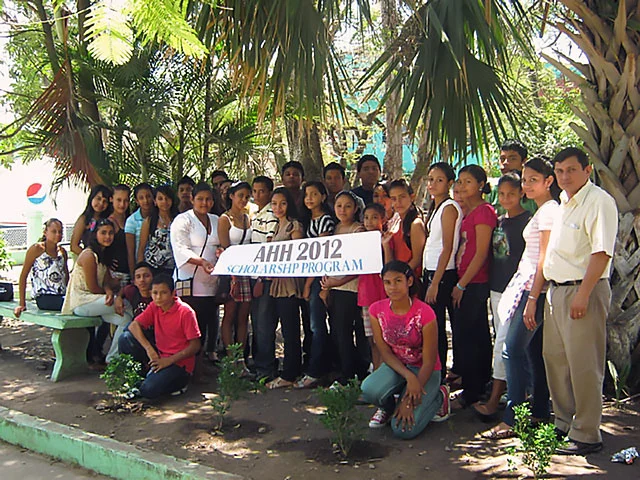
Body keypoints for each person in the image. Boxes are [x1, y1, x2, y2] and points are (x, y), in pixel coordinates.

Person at [542, 147, 617, 455]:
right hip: (557, 291)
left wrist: (583, 294)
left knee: (584, 363)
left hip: (583, 289)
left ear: (587, 170)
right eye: (559, 171)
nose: (564, 176)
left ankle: (587, 433)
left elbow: (601, 252)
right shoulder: (561, 203)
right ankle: (563, 423)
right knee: (556, 360)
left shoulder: (599, 202)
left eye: (571, 170)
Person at [481, 157, 560, 437]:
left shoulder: (549, 211)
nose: (526, 185)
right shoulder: (542, 210)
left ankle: (515, 418)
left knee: (511, 350)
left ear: (548, 181)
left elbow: (544, 259)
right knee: (531, 352)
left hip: (532, 288)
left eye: (532, 180)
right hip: (526, 286)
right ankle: (539, 412)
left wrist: (533, 298)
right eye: (524, 179)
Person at [361, 261, 449, 438]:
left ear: (409, 281)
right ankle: (388, 407)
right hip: (397, 367)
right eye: (387, 282)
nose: (393, 287)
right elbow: (384, 352)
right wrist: (409, 377)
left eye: (398, 281)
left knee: (403, 430)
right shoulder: (376, 310)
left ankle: (440, 396)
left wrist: (409, 401)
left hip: (425, 369)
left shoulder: (425, 313)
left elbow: (430, 360)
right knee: (369, 389)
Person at [473, 173, 531, 421]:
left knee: (505, 344)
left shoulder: (529, 222)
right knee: (502, 339)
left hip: (518, 290)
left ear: (521, 194)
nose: (506, 198)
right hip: (497, 289)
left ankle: (496, 399)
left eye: (512, 193)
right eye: (503, 194)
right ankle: (512, 391)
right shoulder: (498, 222)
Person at [451, 165, 497, 408]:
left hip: (474, 283)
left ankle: (473, 391)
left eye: (467, 181)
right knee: (470, 335)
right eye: (459, 181)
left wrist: (461, 284)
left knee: (472, 338)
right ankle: (475, 385)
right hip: (466, 281)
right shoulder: (467, 211)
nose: (461, 185)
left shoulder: (484, 212)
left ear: (481, 184)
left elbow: (481, 254)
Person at [119, 274, 201, 399]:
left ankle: (178, 384)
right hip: (159, 357)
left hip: (179, 363)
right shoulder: (154, 306)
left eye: (163, 293)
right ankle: (142, 378)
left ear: (173, 293)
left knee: (148, 390)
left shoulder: (185, 312)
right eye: (155, 293)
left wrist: (169, 361)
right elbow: (133, 326)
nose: (158, 297)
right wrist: (149, 349)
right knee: (125, 338)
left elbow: (195, 346)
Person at [61, 219, 131, 363]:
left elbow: (106, 282)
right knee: (126, 305)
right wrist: (111, 293)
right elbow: (93, 287)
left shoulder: (103, 255)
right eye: (103, 233)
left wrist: (111, 289)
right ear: (95, 234)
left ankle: (112, 359)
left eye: (111, 233)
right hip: (82, 302)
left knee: (126, 320)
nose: (108, 236)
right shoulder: (89, 255)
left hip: (96, 302)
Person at [322, 190, 368, 385]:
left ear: (355, 208)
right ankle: (346, 373)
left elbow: (361, 265)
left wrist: (337, 283)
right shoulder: (336, 229)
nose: (342, 209)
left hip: (352, 290)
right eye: (339, 205)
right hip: (336, 290)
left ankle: (354, 375)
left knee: (354, 333)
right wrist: (328, 286)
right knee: (340, 333)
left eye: (347, 206)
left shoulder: (359, 231)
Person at [170, 182, 220, 364]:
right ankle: (184, 366)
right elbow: (180, 249)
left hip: (210, 282)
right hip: (189, 282)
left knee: (204, 325)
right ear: (192, 199)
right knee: (188, 327)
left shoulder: (216, 220)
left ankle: (199, 366)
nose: (204, 203)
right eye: (200, 199)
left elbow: (223, 243)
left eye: (208, 199)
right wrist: (201, 262)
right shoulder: (182, 220)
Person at [422, 163, 462, 385]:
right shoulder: (435, 207)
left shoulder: (449, 207)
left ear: (449, 183)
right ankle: (435, 369)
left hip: (443, 274)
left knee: (437, 326)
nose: (433, 184)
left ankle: (439, 374)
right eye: (430, 179)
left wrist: (435, 282)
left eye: (439, 179)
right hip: (431, 271)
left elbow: (448, 247)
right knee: (431, 325)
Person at [265, 188, 306, 389]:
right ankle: (292, 369)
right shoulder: (276, 226)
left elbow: (297, 254)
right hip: (277, 281)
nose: (278, 207)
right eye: (274, 203)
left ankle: (290, 373)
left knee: (290, 328)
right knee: (284, 326)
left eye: (282, 203)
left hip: (289, 282)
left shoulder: (294, 225)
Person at [297, 181, 336, 388]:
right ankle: (319, 366)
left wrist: (309, 284)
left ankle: (316, 371)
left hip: (318, 279)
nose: (309, 198)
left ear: (323, 196)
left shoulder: (326, 222)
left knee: (317, 325)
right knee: (311, 326)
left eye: (314, 194)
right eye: (306, 195)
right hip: (307, 278)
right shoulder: (306, 220)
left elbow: (321, 256)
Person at [217, 181, 253, 365]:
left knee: (243, 318)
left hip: (247, 272)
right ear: (231, 196)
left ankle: (242, 360)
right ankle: (231, 359)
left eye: (247, 196)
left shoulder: (248, 218)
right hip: (232, 272)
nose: (244, 200)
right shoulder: (225, 219)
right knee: (229, 316)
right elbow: (225, 247)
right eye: (241, 196)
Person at [249, 175, 278, 378]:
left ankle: (266, 368)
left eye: (262, 191)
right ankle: (260, 364)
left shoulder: (271, 214)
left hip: (265, 278)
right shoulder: (256, 214)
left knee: (264, 323)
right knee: (257, 321)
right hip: (254, 275)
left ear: (270, 192)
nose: (258, 195)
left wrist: (260, 278)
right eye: (255, 191)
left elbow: (268, 249)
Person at [14, 218, 69, 317]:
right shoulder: (37, 249)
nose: (58, 234)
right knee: (74, 306)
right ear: (45, 232)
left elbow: (66, 275)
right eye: (54, 231)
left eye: (60, 232)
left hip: (61, 295)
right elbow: (23, 276)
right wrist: (22, 304)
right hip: (44, 297)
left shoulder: (62, 252)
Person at [358, 203, 390, 372]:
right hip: (366, 294)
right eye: (367, 217)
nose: (370, 221)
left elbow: (390, 266)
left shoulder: (386, 239)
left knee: (383, 338)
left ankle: (386, 372)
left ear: (383, 220)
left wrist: (385, 246)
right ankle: (377, 370)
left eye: (375, 217)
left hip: (383, 294)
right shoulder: (359, 240)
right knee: (371, 338)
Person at [388, 179, 427, 280]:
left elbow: (417, 259)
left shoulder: (415, 224)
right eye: (394, 199)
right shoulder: (395, 221)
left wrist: (401, 275)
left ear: (412, 197)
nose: (398, 202)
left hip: (410, 279)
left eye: (402, 197)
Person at [488, 139, 537, 215]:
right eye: (502, 159)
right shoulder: (495, 191)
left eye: (512, 158)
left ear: (524, 161)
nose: (505, 163)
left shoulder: (532, 191)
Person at [138, 185, 178, 275]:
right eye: (160, 198)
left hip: (173, 268)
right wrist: (140, 270)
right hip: (153, 268)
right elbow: (141, 248)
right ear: (155, 201)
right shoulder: (149, 221)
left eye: (167, 198)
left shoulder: (178, 220)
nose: (164, 201)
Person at [70, 185, 113, 255]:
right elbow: (74, 246)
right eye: (98, 199)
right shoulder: (84, 219)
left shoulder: (108, 220)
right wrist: (90, 258)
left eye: (105, 201)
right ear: (91, 198)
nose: (101, 203)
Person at [125, 183, 155, 275]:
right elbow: (130, 251)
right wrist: (134, 275)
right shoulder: (131, 221)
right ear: (137, 201)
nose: (146, 201)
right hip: (143, 267)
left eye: (148, 196)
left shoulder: (161, 216)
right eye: (141, 198)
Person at [109, 184, 132, 286]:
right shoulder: (107, 223)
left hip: (130, 272)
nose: (122, 204)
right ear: (111, 199)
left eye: (125, 200)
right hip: (115, 275)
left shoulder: (131, 220)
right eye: (119, 200)